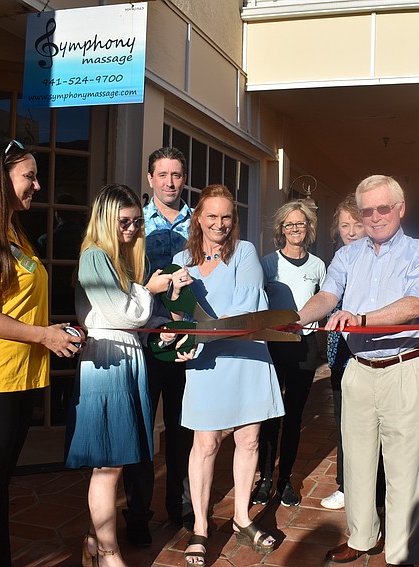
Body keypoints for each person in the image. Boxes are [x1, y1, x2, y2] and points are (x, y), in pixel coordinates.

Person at [0, 138, 85, 566]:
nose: (38, 186)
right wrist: (43, 336)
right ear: (0, 178)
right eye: (29, 176)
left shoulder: (12, 230)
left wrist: (56, 331)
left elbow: (18, 305)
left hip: (18, 379)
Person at [297, 175, 419, 567]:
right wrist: (298, 318)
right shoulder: (347, 256)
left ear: (400, 209)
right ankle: (362, 538)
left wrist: (360, 319)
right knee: (357, 463)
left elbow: (413, 305)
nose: (375, 217)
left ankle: (401, 553)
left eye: (383, 208)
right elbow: (327, 295)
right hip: (358, 369)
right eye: (367, 211)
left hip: (405, 368)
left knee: (405, 470)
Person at [64, 184, 190, 566]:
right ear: (105, 220)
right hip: (108, 362)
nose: (132, 229)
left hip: (126, 358)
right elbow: (123, 314)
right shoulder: (94, 256)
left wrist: (163, 330)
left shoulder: (117, 258)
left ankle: (93, 542)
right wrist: (149, 289)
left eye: (136, 222)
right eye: (124, 222)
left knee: (113, 463)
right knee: (108, 465)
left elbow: (135, 319)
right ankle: (109, 552)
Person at [169, 184, 284, 566]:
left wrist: (197, 336)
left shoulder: (245, 252)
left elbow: (245, 308)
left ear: (234, 220)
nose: (219, 224)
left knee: (248, 441)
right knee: (205, 445)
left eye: (226, 217)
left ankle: (241, 518)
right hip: (206, 362)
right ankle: (201, 527)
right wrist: (178, 321)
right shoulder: (180, 260)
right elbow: (180, 316)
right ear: (197, 218)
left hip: (247, 357)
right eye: (212, 216)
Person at [122, 146, 195, 546]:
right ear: (150, 178)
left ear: (184, 178)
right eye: (162, 175)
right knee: (141, 430)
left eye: (176, 175)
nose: (170, 182)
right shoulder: (133, 223)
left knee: (184, 428)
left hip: (185, 340)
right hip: (144, 339)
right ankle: (137, 514)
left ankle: (181, 506)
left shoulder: (198, 223)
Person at [253, 200, 326, 507]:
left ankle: (285, 480)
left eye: (301, 223)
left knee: (294, 415)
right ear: (281, 229)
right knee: (270, 414)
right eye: (290, 224)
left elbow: (324, 303)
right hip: (273, 345)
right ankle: (265, 479)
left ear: (309, 227)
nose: (295, 229)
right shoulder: (267, 263)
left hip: (304, 347)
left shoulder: (318, 266)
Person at [320, 194, 384, 511]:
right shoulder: (339, 260)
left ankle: (378, 491)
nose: (351, 231)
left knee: (376, 425)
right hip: (340, 355)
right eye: (344, 225)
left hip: (372, 353)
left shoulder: (379, 259)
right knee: (345, 422)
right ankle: (346, 486)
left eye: (356, 224)